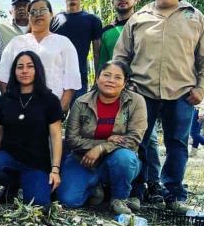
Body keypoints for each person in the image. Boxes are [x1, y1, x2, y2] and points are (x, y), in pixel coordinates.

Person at [113, 0, 204, 212]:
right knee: (137, 143)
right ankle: (136, 192)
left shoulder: (194, 17)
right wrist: (124, 87)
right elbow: (121, 56)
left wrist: (202, 88)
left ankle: (174, 195)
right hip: (141, 92)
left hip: (181, 93)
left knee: (177, 144)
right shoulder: (139, 18)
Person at [99, 0, 163, 204]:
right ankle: (119, 185)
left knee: (147, 138)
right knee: (111, 133)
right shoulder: (106, 32)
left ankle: (152, 183)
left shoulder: (148, 23)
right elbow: (102, 63)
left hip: (142, 89)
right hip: (112, 92)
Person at [58, 61, 147, 215]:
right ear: (97, 78)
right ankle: (95, 188)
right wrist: (101, 144)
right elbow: (72, 139)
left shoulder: (136, 102)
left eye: (117, 77)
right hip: (83, 160)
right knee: (69, 200)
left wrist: (101, 148)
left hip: (117, 159)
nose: (111, 80)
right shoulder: (81, 102)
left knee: (124, 158)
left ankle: (119, 198)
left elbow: (133, 139)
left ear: (124, 82)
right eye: (106, 75)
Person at [0, 51, 63, 207]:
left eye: (30, 66)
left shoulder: (50, 100)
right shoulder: (4, 99)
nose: (24, 71)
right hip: (9, 161)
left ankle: (23, 186)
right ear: (14, 71)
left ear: (37, 70)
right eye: (20, 67)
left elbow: (56, 136)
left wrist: (55, 169)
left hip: (36, 164)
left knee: (38, 204)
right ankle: (10, 185)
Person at [0, 0, 80, 113]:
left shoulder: (63, 42)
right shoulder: (16, 42)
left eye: (42, 10)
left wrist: (61, 107)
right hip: (20, 109)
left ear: (51, 14)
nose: (38, 15)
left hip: (52, 108)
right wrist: (11, 104)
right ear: (29, 17)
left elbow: (72, 77)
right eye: (33, 12)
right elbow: (2, 75)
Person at [50, 0, 102, 100]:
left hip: (79, 79)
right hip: (56, 80)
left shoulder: (92, 20)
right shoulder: (54, 20)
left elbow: (97, 52)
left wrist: (97, 79)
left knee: (78, 117)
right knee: (55, 117)